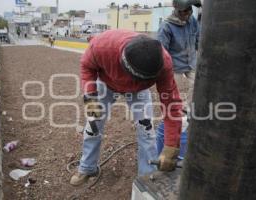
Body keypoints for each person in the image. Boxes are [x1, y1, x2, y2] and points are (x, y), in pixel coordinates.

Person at [70, 30, 182, 186]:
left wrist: (171, 146)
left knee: (147, 132)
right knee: (93, 125)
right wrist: (91, 99)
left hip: (139, 92)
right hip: (106, 84)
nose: (132, 83)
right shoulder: (102, 46)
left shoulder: (164, 64)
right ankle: (87, 167)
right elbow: (86, 66)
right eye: (134, 78)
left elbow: (172, 105)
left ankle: (147, 177)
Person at [156, 0, 201, 154]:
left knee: (197, 84)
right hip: (174, 64)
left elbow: (198, 39)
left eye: (189, 11)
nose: (187, 14)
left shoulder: (192, 21)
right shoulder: (166, 27)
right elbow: (161, 51)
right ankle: (171, 115)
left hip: (191, 62)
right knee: (170, 93)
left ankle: (188, 112)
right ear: (176, 10)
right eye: (185, 11)